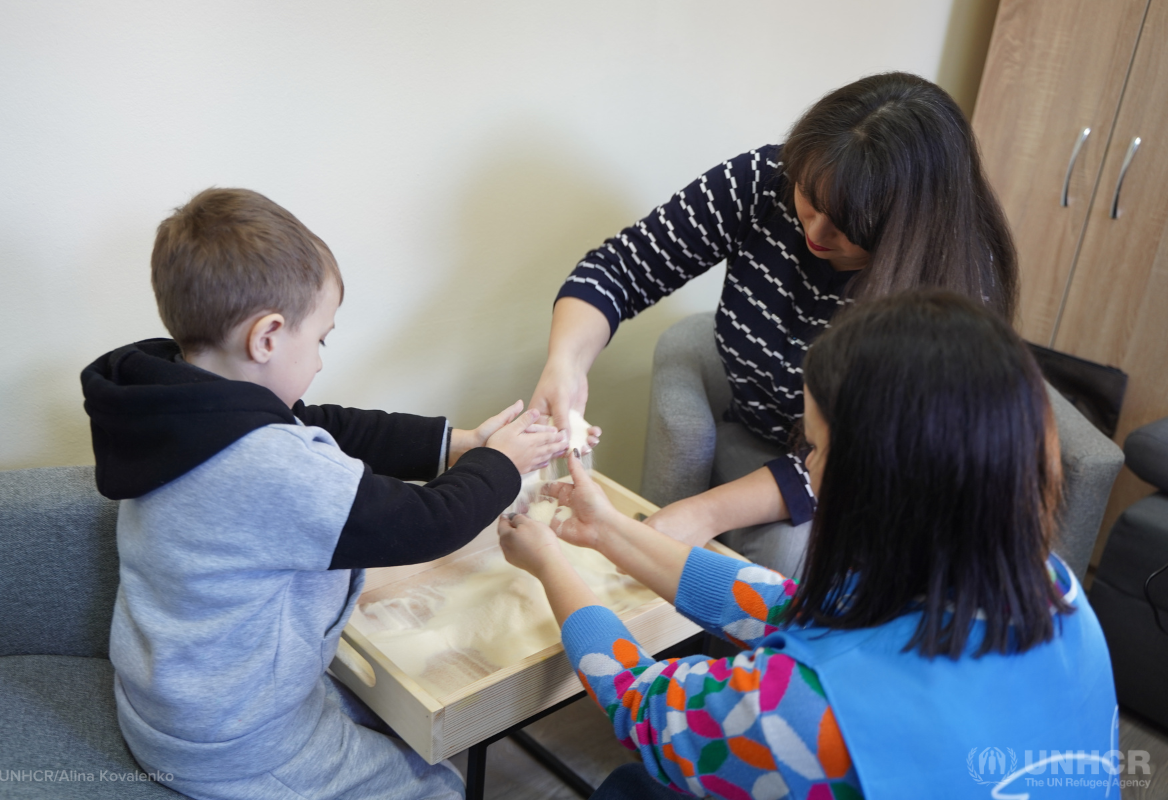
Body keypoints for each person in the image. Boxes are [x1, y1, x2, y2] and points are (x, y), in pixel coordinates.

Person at [501, 291, 1117, 799]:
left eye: (816, 448)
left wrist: (549, 561)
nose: (808, 467)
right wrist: (609, 529)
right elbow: (795, 606)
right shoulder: (1054, 590)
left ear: (878, 481)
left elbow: (642, 706)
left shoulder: (803, 715)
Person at [80, 188, 566, 800]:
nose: (318, 361)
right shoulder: (265, 465)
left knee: (392, 720)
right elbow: (426, 523)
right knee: (440, 787)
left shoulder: (175, 403)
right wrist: (502, 464)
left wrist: (459, 444)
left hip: (169, 704)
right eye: (321, 340)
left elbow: (324, 424)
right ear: (268, 337)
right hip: (237, 745)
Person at [529, 72, 1017, 574]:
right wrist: (566, 364)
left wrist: (703, 513)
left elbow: (860, 456)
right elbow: (620, 269)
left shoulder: (951, 286)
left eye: (848, 225)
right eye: (809, 199)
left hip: (865, 474)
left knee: (783, 556)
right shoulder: (767, 177)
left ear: (905, 230)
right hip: (771, 422)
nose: (816, 232)